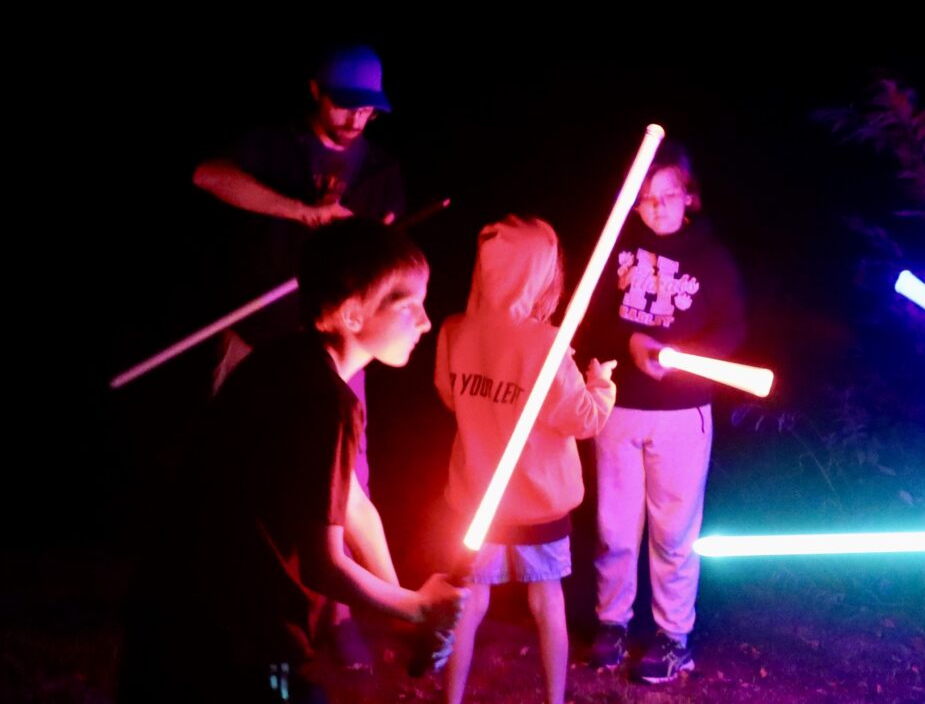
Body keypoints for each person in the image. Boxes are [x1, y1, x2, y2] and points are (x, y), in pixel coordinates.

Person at [118, 218, 465, 703]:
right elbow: (325, 564)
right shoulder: (325, 401)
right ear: (351, 315)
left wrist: (403, 613)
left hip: (169, 616)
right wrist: (415, 608)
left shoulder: (282, 363)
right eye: (409, 307)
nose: (426, 322)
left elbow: (355, 507)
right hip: (229, 640)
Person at [193, 43, 404, 662]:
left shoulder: (380, 169)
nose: (356, 119)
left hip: (336, 349)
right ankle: (233, 602)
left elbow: (383, 258)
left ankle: (350, 616)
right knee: (234, 470)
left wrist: (360, 241)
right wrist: (301, 212)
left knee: (346, 483)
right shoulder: (276, 145)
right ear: (314, 89)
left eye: (369, 110)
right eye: (345, 105)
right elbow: (207, 175)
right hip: (257, 334)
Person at [434, 215, 617, 704]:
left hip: (477, 499)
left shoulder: (454, 330)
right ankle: (554, 700)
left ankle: (450, 699)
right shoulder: (547, 345)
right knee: (547, 600)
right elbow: (583, 419)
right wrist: (601, 384)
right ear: (541, 273)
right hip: (539, 503)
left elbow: (450, 397)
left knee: (468, 602)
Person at [583, 142, 745, 683]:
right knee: (615, 526)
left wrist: (684, 361)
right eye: (646, 199)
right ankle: (612, 623)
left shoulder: (712, 257)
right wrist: (629, 342)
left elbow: (731, 330)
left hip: (681, 412)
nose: (657, 207)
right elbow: (593, 317)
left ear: (689, 197)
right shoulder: (618, 249)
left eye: (668, 195)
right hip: (617, 406)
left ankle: (674, 637)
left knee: (674, 531)